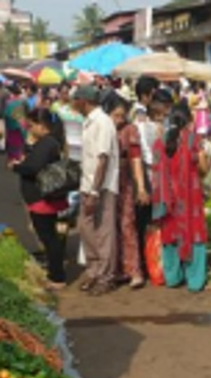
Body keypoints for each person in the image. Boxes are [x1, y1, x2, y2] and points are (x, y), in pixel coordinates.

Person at [151, 104, 209, 292]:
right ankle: (194, 281)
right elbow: (202, 169)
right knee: (195, 234)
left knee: (170, 235)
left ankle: (173, 277)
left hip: (169, 200)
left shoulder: (162, 141)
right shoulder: (193, 140)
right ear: (188, 121)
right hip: (190, 198)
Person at [11, 109, 70, 290]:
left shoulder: (47, 143)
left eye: (32, 125)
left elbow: (33, 167)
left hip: (41, 198)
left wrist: (16, 167)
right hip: (42, 197)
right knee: (48, 235)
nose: (30, 128)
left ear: (42, 126)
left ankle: (57, 277)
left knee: (48, 236)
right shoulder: (48, 142)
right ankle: (55, 271)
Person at [75, 85, 120, 296]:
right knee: (86, 228)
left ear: (83, 101)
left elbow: (103, 158)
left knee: (104, 232)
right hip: (87, 184)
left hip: (102, 186)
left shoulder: (102, 122)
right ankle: (94, 268)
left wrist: (95, 191)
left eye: (75, 100)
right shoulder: (88, 122)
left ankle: (106, 275)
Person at [104, 91, 146, 289]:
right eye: (116, 115)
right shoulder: (103, 129)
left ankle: (134, 270)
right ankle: (117, 269)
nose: (119, 120)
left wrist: (141, 187)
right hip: (106, 183)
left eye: (122, 115)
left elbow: (136, 159)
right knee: (109, 226)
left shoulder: (130, 130)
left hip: (125, 183)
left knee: (127, 224)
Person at [4, 85, 28, 163]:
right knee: (18, 142)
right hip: (20, 125)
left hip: (11, 126)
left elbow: (6, 114)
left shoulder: (9, 102)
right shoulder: (22, 101)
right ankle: (18, 158)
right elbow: (26, 112)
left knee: (11, 143)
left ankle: (12, 159)